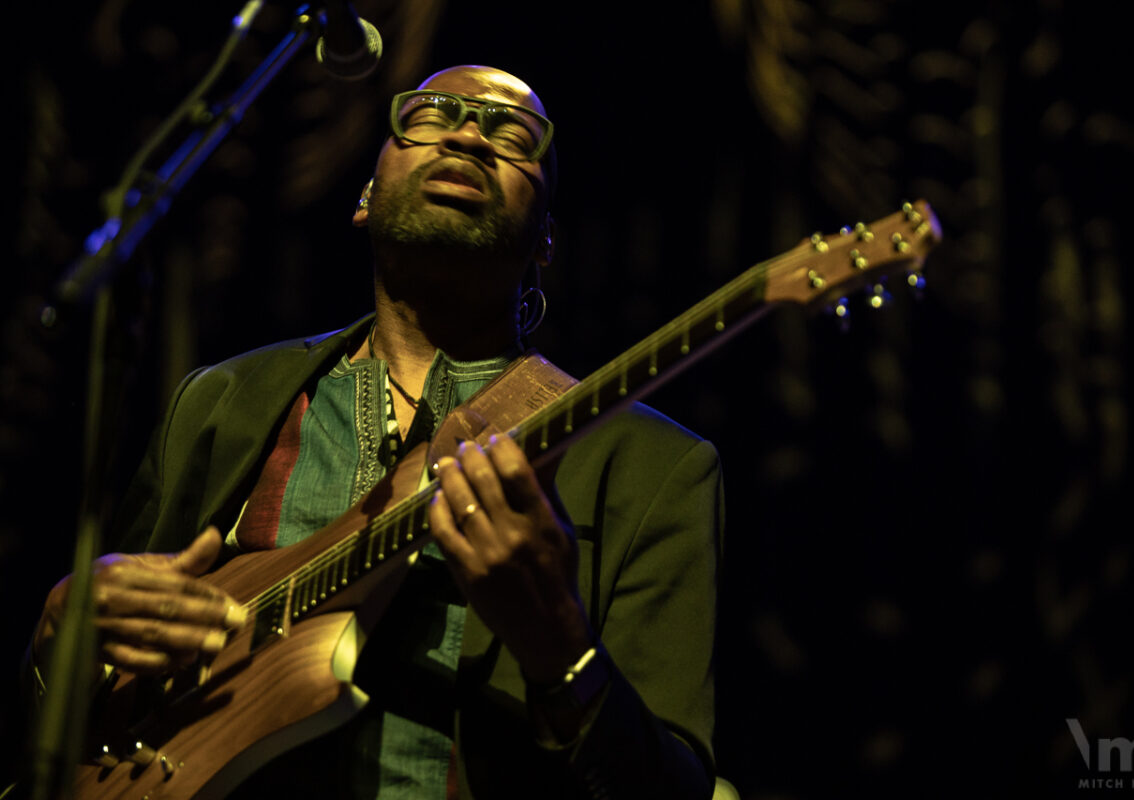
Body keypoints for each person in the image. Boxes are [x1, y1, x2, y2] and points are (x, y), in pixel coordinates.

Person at [29, 65, 722, 799]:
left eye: (513, 133)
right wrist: (59, 637)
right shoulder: (221, 403)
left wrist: (558, 642)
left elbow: (669, 789)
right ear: (365, 198)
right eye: (429, 116)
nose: (466, 135)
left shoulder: (655, 467)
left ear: (546, 239)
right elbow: (85, 714)